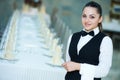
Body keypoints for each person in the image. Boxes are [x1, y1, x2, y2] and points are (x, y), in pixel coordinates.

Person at [62, 1, 113, 80]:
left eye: (92, 17)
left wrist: (78, 66)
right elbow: (68, 61)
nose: (87, 20)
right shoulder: (72, 37)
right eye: (84, 16)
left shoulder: (105, 41)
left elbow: (103, 71)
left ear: (100, 19)